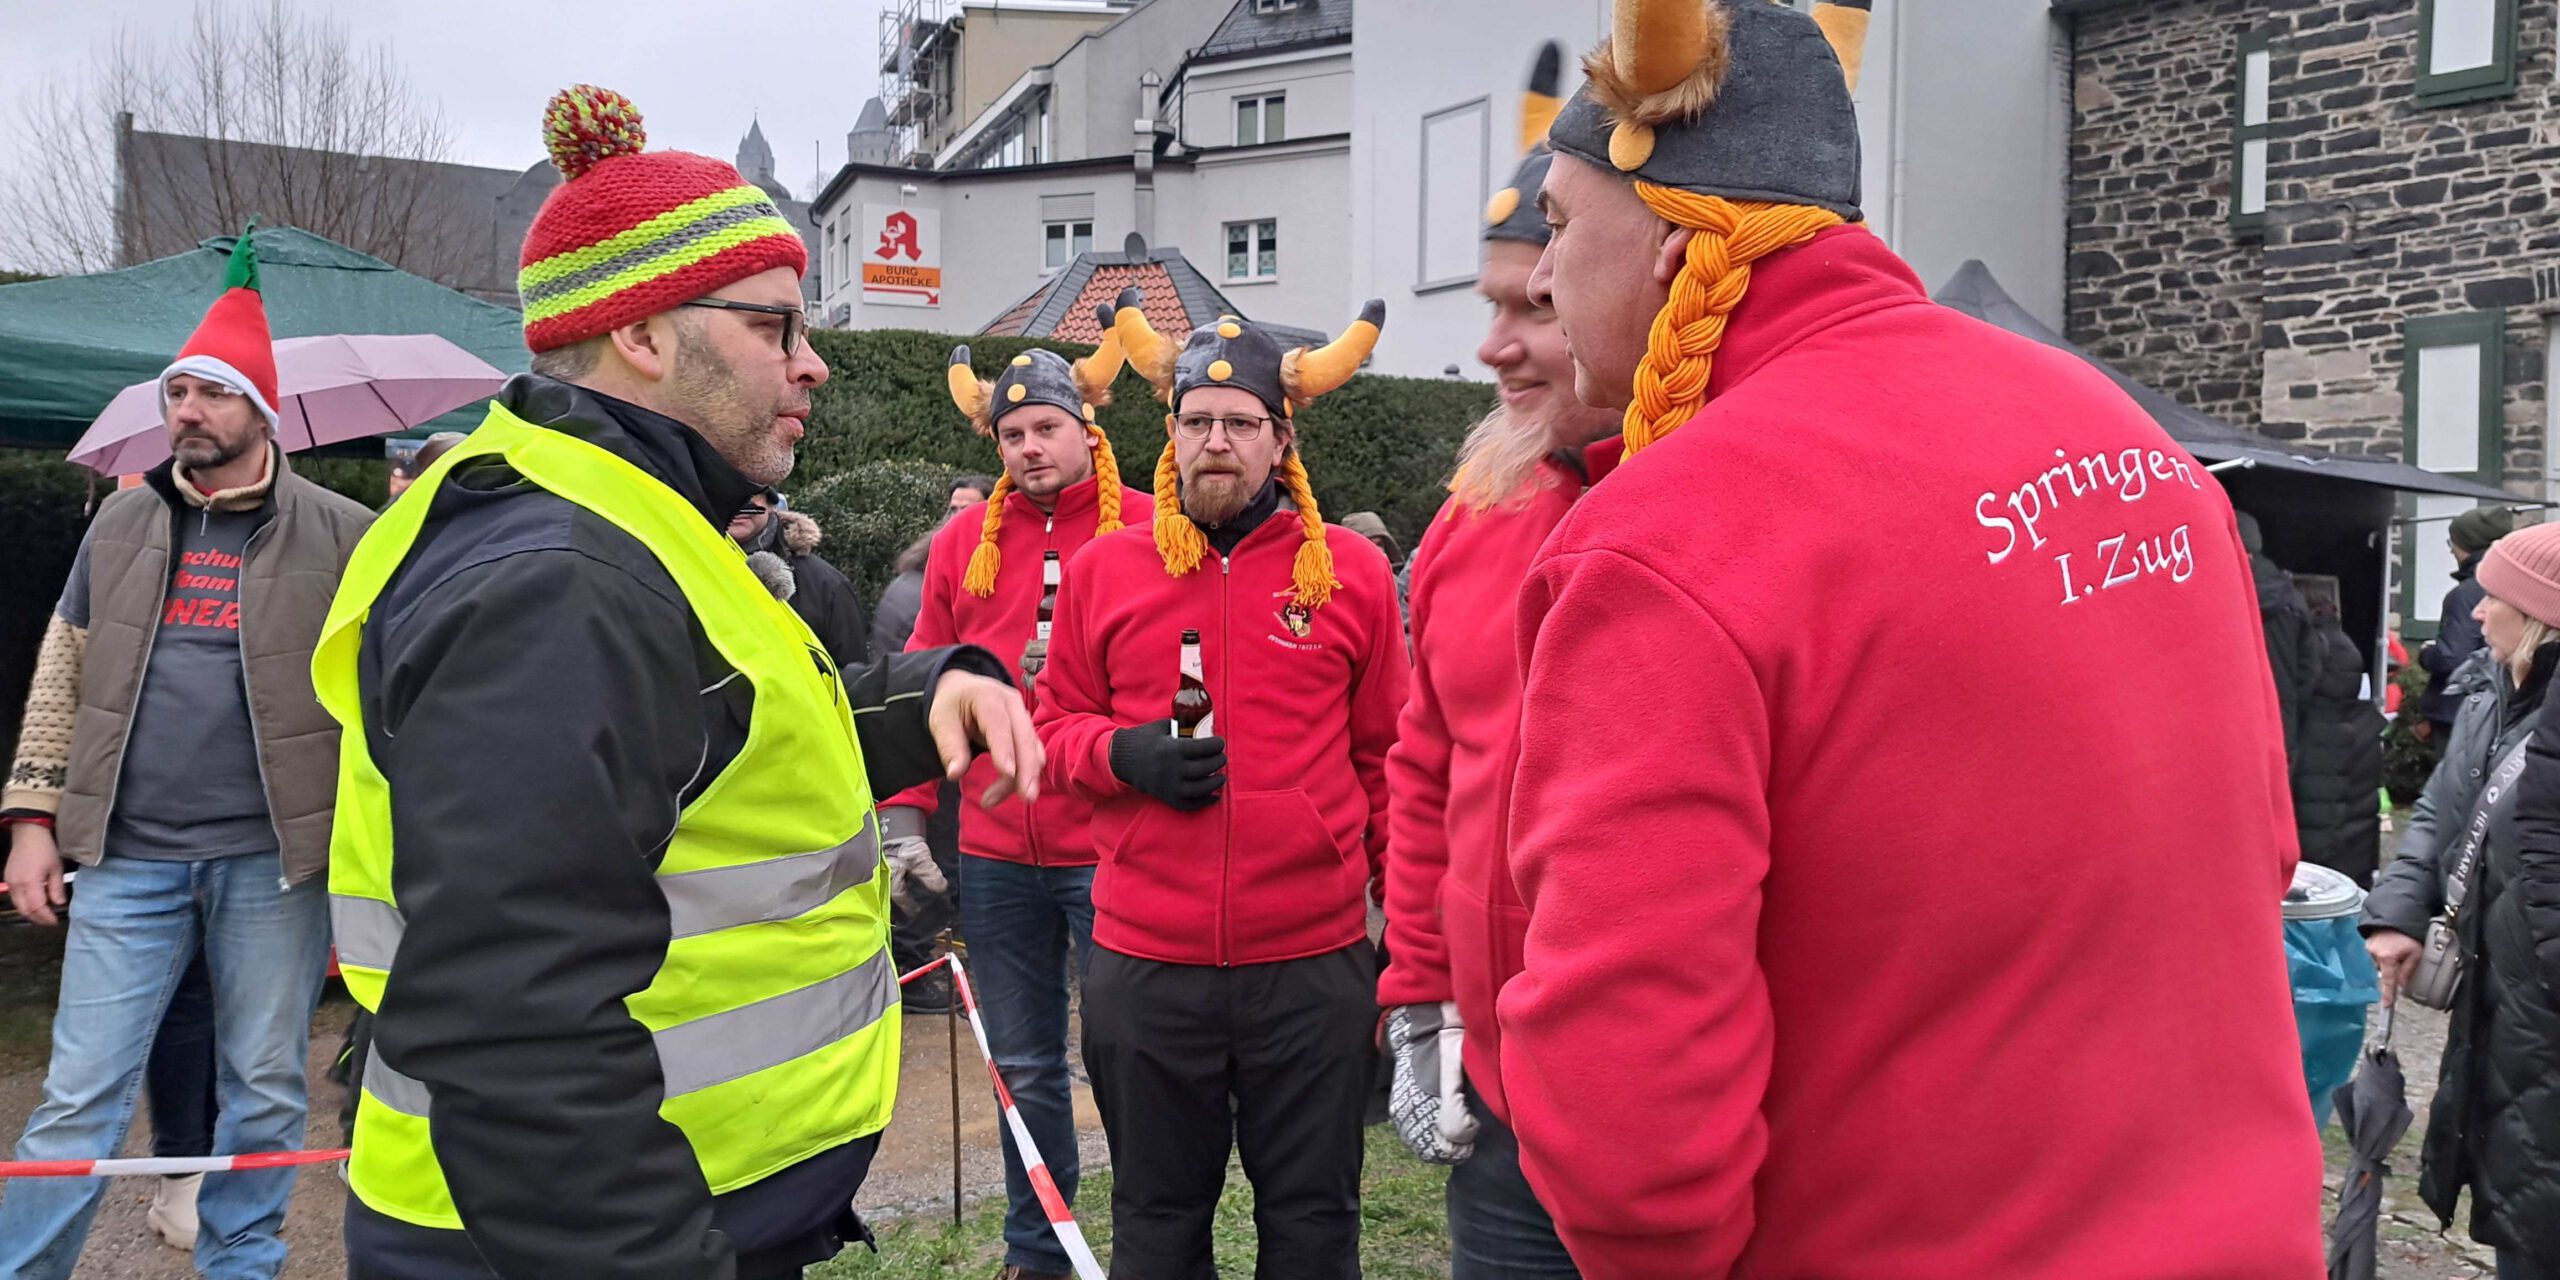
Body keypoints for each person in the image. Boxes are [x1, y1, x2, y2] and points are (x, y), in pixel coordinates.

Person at [1499, 3, 2322, 1275]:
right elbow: (2264, 847)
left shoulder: (1669, 536)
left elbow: (1627, 1100)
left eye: (1558, 225)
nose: (1543, 278)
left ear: (1672, 237)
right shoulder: (2119, 432)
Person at [316, 86, 1038, 1280]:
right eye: (776, 325)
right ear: (645, 336)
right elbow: (516, 1016)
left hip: (674, 1200)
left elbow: (726, 742)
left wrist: (923, 699)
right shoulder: (558, 576)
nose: (812, 364)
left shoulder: (631, 526)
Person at [0, 226, 373, 1279]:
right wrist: (32, 821)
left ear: (261, 409)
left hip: (274, 862)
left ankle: (241, 1260)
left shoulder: (342, 532)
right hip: (127, 856)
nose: (187, 411)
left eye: (211, 393)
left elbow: (381, 693)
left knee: (266, 1085)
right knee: (78, 1096)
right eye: (177, 393)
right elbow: (62, 673)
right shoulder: (119, 527)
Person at [1035, 291, 1408, 1279]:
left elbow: (1388, 764)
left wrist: (1409, 941)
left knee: (1314, 1227)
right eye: (1196, 421)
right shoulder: (1106, 570)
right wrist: (1123, 755)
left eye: (1240, 424)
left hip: (1312, 965)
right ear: (1170, 435)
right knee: (1156, 1228)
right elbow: (1051, 729)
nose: (1215, 443)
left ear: (1280, 441)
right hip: (1147, 966)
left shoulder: (1350, 573)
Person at [1376, 91, 1623, 1277]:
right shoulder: (1474, 516)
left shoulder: (1729, 500)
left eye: (1538, 307)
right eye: (1494, 305)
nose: (1493, 346)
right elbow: (1429, 768)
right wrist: (1422, 995)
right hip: (1506, 1096)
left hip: (1686, 1090)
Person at [880, 337, 1149, 1280]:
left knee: (1131, 1057)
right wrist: (904, 820)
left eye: (1046, 428)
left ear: (1087, 430)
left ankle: (1151, 1244)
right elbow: (921, 682)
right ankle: (1037, 1253)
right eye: (1012, 435)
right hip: (997, 849)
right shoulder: (963, 544)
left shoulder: (1150, 526)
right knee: (1025, 1064)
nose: (1030, 447)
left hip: (1113, 843)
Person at [2368, 520, 2560, 1280]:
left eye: (2492, 598)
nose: (2475, 612)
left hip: (2543, 1007)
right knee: (2518, 1199)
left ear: (2539, 617)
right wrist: (2398, 911)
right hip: (2498, 1003)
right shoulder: (2487, 690)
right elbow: (2440, 816)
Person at [729, 486, 871, 665]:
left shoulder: (826, 584)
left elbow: (851, 670)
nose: (739, 502)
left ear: (770, 503)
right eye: (723, 491)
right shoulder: (693, 570)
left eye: (752, 494)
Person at [872, 474, 997, 659]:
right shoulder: (932, 581)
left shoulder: (922, 564)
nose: (958, 517)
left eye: (966, 510)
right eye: (953, 509)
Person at [2421, 506, 2517, 738]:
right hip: (2502, 709)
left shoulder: (2466, 594)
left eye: (2452, 542)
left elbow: (2452, 657)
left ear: (2468, 544)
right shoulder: (2516, 583)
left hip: (2463, 713)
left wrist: (2427, 653)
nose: (2451, 550)